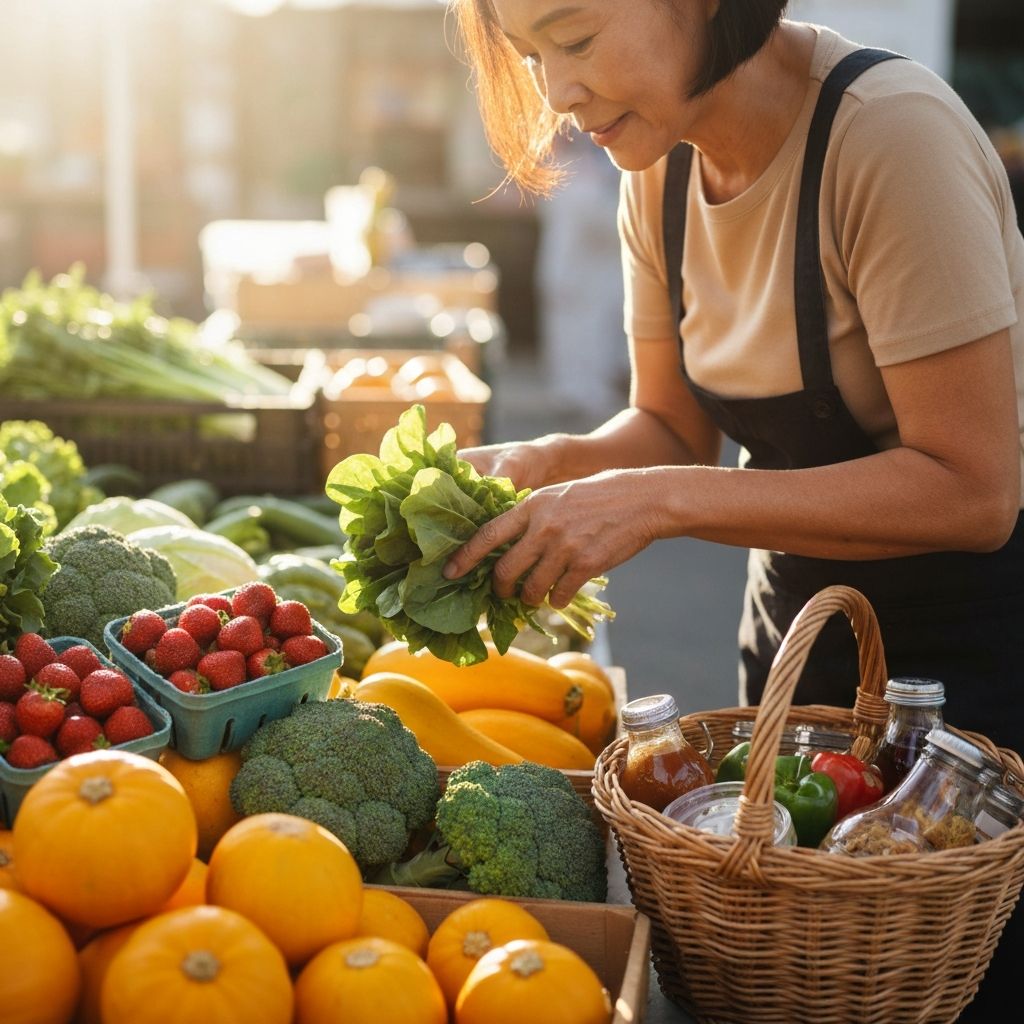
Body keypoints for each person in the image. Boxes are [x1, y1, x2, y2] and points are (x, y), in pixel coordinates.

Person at [441, 2, 1024, 1018]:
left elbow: (974, 488)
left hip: (967, 693)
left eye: (574, 39)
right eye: (531, 58)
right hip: (796, 659)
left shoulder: (889, 137)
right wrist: (550, 463)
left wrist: (656, 500)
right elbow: (671, 431)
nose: (557, 94)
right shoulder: (657, 170)